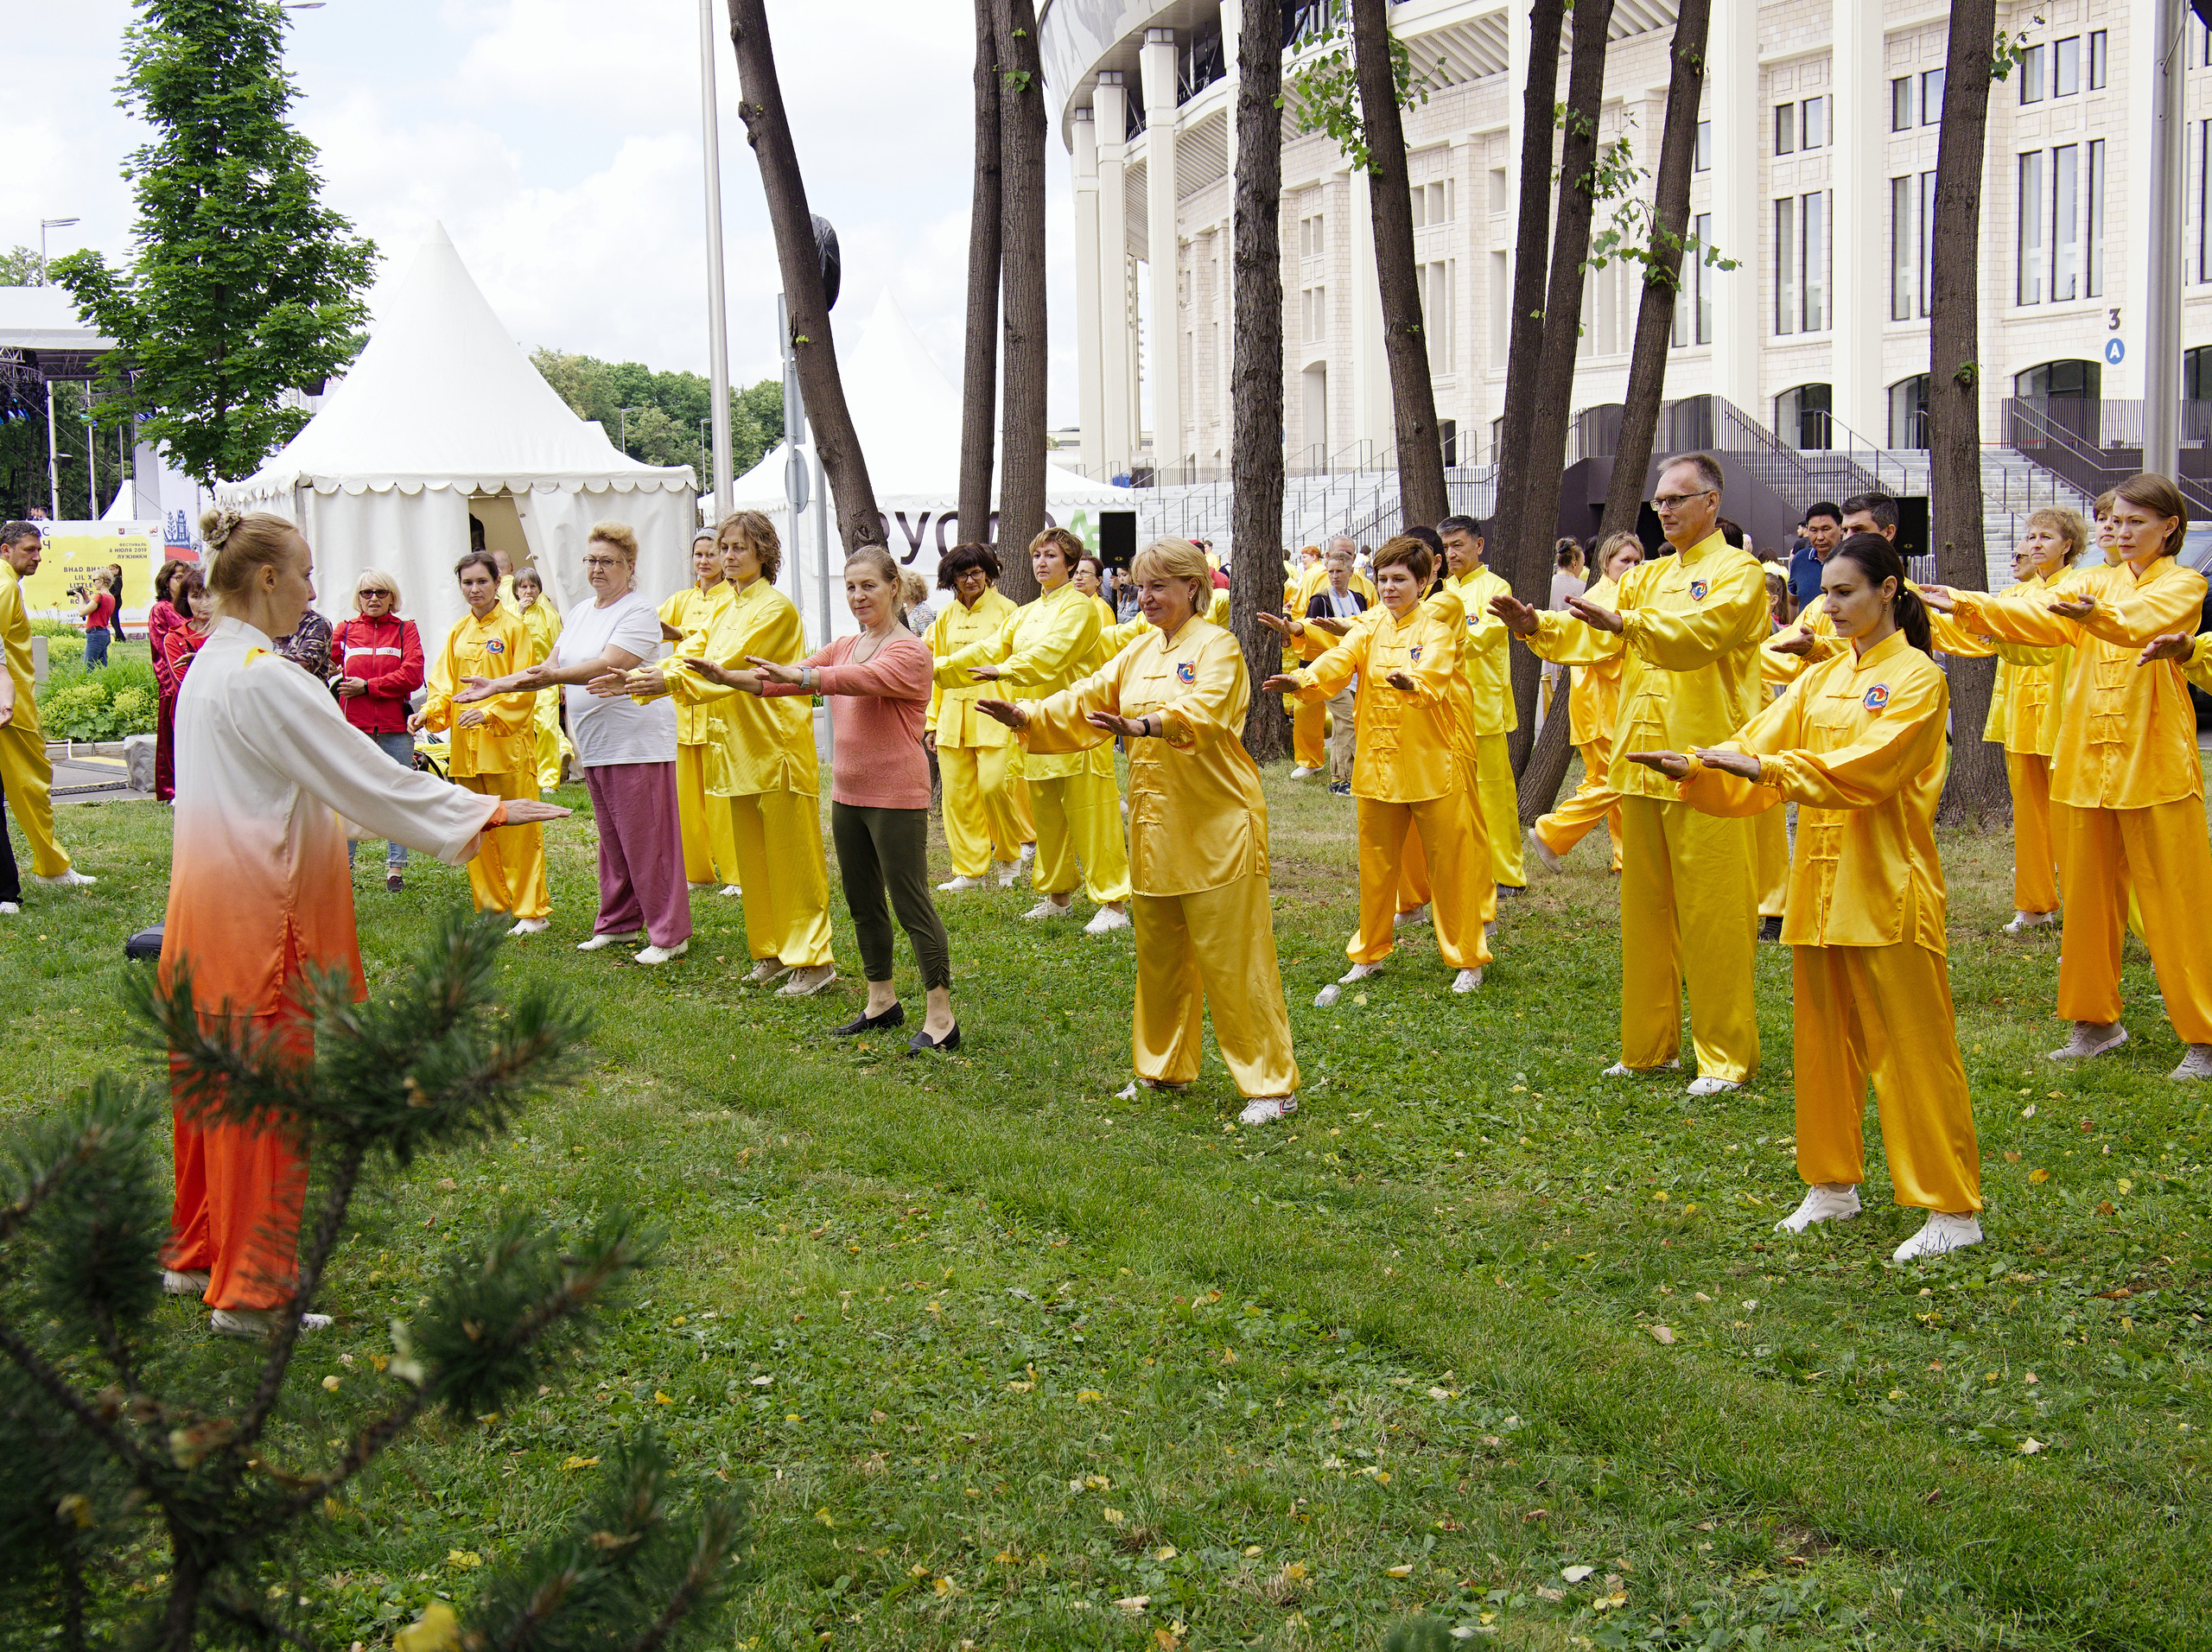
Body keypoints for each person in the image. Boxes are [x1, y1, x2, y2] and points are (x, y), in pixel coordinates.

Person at [159, 507, 568, 1337]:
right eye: (306, 573)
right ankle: (251, 1295)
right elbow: (362, 775)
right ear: (267, 579)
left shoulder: (213, 664)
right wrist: (482, 811)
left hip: (206, 914)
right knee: (264, 1110)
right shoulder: (262, 676)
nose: (316, 589)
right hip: (257, 918)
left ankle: (197, 1251)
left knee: (210, 1097)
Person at [1629, 531, 1984, 1261]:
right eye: (1825, 593)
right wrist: (1695, 765)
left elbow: (1867, 768)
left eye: (1846, 592)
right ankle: (1831, 1186)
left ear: (1890, 590)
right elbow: (1758, 738)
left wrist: (1765, 768)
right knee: (1825, 1046)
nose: (1831, 606)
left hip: (1887, 887)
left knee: (1913, 1050)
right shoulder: (1822, 678)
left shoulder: (1917, 678)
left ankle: (1951, 1206)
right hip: (1820, 888)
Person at [979, 537, 1301, 1123]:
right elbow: (1084, 698)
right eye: (1140, 585)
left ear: (1193, 590)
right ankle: (1163, 1069)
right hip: (1157, 827)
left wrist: (1146, 724)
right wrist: (1028, 715)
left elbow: (1204, 712)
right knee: (1160, 958)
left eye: (1159, 586)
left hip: (1219, 824)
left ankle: (1270, 1085)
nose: (1145, 596)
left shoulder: (1218, 647)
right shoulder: (1138, 652)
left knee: (1234, 960)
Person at [1493, 453, 1766, 1096]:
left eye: (1678, 498)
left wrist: (1629, 624)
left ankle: (1725, 1057)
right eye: (1660, 501)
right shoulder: (1646, 576)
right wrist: (1539, 627)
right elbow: (1596, 627)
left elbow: (1701, 635)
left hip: (1706, 766)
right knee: (1646, 917)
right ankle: (1649, 1048)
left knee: (1715, 916)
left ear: (1712, 503)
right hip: (1639, 766)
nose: (1665, 510)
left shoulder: (1739, 573)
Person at [1924, 473, 2212, 1077]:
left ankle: (2204, 1035)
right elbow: (2039, 618)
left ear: (2170, 528)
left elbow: (2137, 621)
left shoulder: (2183, 583)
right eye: (2120, 520)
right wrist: (1970, 604)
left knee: (2178, 901)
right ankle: (2095, 1022)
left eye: (2139, 522)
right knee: (2086, 900)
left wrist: (2089, 614)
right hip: (2083, 762)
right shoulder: (2088, 581)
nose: (2125, 532)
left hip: (2153, 763)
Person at [692, 545, 959, 1052]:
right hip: (848, 792)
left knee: (911, 903)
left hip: (895, 794)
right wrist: (728, 678)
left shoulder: (908, 651)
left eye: (869, 586)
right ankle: (881, 1001)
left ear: (894, 589)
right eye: (851, 587)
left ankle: (941, 1016)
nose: (859, 596)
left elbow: (850, 682)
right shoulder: (842, 644)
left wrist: (801, 677)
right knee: (862, 902)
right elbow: (781, 677)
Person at [1263, 535, 1490, 1001]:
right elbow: (1337, 659)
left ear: (1423, 582)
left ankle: (1468, 958)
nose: (1389, 588)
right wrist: (1303, 678)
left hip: (1432, 765)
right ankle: (1368, 953)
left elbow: (1437, 672)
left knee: (1451, 866)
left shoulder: (1437, 627)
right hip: (1378, 767)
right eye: (1383, 579)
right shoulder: (1370, 627)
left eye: (1400, 579)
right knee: (1376, 866)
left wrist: (1415, 682)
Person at [457, 521, 691, 966]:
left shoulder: (638, 612)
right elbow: (547, 665)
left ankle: (669, 933)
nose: (598, 569)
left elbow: (609, 665)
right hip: (598, 745)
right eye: (592, 560)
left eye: (608, 561)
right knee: (614, 842)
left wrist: (553, 678)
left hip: (636, 743)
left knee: (649, 842)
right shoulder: (583, 610)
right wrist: (496, 686)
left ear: (630, 566)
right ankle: (619, 924)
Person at [627, 511, 835, 992]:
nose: (729, 556)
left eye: (739, 547)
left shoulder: (774, 609)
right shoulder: (724, 606)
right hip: (736, 749)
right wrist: (644, 676)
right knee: (753, 860)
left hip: (776, 748)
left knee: (792, 859)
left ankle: (813, 959)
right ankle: (771, 950)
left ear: (763, 551)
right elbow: (692, 649)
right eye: (724, 548)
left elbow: (728, 664)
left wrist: (665, 681)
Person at [940, 526, 1133, 933]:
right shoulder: (1027, 612)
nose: (1041, 563)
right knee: (1046, 816)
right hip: (1034, 726)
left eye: (1050, 556)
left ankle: (1113, 902)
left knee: (1091, 814)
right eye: (1037, 556)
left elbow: (1050, 657)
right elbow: (990, 646)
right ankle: (1057, 895)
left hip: (1079, 724)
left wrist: (1005, 669)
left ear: (1070, 563)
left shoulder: (1080, 608)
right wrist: (939, 669)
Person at [414, 552, 551, 935]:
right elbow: (443, 686)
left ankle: (531, 911)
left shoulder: (514, 629)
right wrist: (429, 712)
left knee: (518, 832)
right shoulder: (458, 632)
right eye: (467, 583)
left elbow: (525, 687)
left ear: (496, 584)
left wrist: (490, 714)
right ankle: (492, 907)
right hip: (465, 751)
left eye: (481, 582)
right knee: (476, 827)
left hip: (506, 748)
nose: (474, 589)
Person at [1983, 510, 2091, 935]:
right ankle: (2034, 904)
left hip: (2064, 714)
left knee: (2069, 820)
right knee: (2029, 818)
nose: (2035, 543)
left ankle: (2085, 905)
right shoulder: (2013, 594)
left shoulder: (2081, 588)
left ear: (2068, 545)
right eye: (2031, 536)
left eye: (2046, 536)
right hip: (2020, 714)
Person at [1528, 530, 1643, 874]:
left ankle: (1626, 858)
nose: (1633, 567)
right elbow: (1606, 657)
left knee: (1605, 781)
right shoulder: (1604, 598)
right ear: (1606, 562)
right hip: (1603, 705)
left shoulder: (1619, 595)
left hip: (1603, 703)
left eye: (1638, 561)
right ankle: (1552, 833)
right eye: (1625, 560)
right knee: (1615, 780)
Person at [924, 543, 1035, 891]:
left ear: (988, 573)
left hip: (995, 714)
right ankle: (968, 871)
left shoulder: (1008, 610)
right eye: (962, 575)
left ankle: (1009, 857)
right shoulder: (945, 616)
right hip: (952, 719)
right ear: (951, 579)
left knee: (994, 786)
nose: (970, 580)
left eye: (976, 573)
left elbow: (1018, 665)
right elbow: (936, 669)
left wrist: (1021, 713)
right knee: (957, 797)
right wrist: (931, 720)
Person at [0, 521, 93, 890]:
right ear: (5, 550)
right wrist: (6, 690)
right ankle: (53, 870)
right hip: (12, 707)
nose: (37, 557)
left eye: (39, 550)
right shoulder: (5, 585)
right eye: (28, 550)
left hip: (12, 701)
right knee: (33, 787)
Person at [1437, 515, 1525, 894]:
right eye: (1446, 547)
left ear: (1479, 545)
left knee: (1494, 793)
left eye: (1458, 544)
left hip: (1484, 706)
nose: (1451, 553)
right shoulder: (1439, 592)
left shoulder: (1496, 588)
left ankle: (1507, 874)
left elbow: (1480, 639)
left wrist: (1438, 644)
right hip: (1442, 707)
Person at [330, 569, 426, 891]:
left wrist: (368, 686)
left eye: (381, 592)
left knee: (396, 795)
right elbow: (325, 670)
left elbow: (413, 675)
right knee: (348, 795)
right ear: (358, 597)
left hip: (395, 727)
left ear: (392, 597)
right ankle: (343, 869)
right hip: (352, 727)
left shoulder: (405, 629)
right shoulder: (343, 631)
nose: (374, 598)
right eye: (367, 593)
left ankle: (395, 869)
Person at [658, 529, 741, 894]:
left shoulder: (732, 599)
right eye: (699, 554)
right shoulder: (680, 599)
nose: (705, 560)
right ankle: (697, 871)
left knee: (721, 799)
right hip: (682, 715)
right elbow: (654, 629)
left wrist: (680, 633)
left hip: (715, 710)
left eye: (712, 553)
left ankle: (736, 874)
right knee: (686, 801)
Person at [1302, 544, 1370, 793]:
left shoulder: (1359, 599)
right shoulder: (1319, 600)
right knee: (1346, 721)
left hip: (1354, 670)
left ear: (1351, 571)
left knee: (1348, 723)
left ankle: (1343, 778)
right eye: (1330, 571)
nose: (1334, 576)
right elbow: (1308, 634)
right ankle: (1343, 778)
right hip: (1330, 672)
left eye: (1340, 571)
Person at [512, 566, 573, 793]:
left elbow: (561, 649)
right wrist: (519, 614)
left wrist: (563, 684)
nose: (528, 591)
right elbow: (506, 641)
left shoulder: (549, 615)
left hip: (546, 681)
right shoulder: (509, 613)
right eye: (523, 586)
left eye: (533, 586)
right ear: (516, 591)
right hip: (517, 682)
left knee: (547, 728)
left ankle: (548, 781)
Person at [148, 558, 191, 803]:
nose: (182, 581)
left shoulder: (191, 606)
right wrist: (171, 684)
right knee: (170, 739)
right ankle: (170, 790)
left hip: (194, 678)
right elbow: (161, 647)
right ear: (166, 581)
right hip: (172, 681)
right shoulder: (161, 609)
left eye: (185, 577)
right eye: (177, 577)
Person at [1789, 503, 1840, 613]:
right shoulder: (1800, 559)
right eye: (1814, 530)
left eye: (1826, 529)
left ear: (1840, 528)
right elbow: (1792, 602)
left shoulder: (1853, 560)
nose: (1820, 537)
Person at [274, 601, 334, 683]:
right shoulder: (264, 623)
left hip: (301, 692)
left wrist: (259, 658)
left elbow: (307, 662)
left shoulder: (318, 623)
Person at [76, 570, 116, 668]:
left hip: (95, 634)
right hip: (104, 633)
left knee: (88, 668)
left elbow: (82, 612)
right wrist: (85, 597)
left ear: (101, 581)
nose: (93, 583)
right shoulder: (111, 598)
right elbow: (96, 608)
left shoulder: (99, 596)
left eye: (94, 580)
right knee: (102, 667)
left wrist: (80, 598)